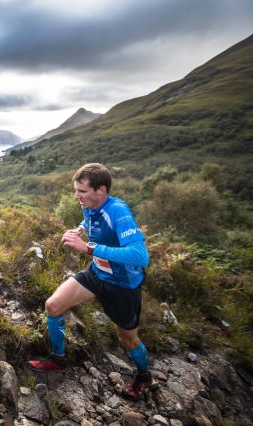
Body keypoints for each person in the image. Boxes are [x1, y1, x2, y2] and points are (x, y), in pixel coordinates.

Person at [28, 163, 152, 400]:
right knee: (52, 306)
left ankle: (144, 376)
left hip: (123, 286)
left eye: (82, 192)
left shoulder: (118, 211)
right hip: (96, 273)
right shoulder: (89, 205)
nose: (77, 196)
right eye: (76, 190)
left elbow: (140, 255)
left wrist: (89, 247)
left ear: (101, 191)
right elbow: (90, 219)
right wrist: (79, 230)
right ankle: (58, 359)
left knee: (127, 338)